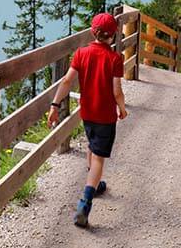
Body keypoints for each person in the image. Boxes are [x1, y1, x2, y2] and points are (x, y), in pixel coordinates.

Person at [47, 12, 127, 228]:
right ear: (114, 34)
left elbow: (66, 81)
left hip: (88, 113)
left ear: (93, 32)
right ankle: (85, 201)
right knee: (99, 158)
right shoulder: (114, 59)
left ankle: (95, 181)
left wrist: (54, 106)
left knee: (92, 146)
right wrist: (122, 108)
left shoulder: (81, 53)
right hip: (105, 116)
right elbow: (117, 90)